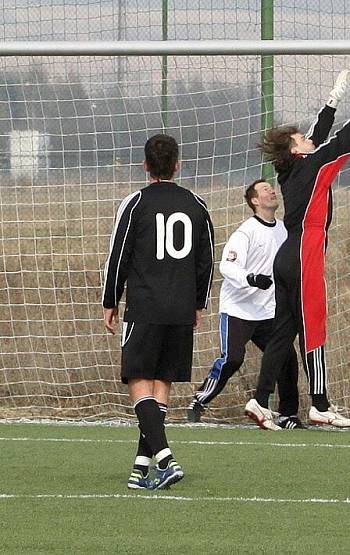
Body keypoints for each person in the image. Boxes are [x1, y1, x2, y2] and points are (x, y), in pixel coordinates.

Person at [247, 70, 350, 428]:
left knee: (284, 332)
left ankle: (258, 400)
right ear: (294, 150)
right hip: (305, 250)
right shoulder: (313, 165)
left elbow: (318, 135)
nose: (308, 138)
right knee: (313, 325)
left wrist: (333, 101)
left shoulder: (291, 170)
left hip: (288, 253)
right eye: (301, 138)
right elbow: (345, 141)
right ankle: (320, 405)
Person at [103, 134, 214, 489]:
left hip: (146, 306)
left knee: (139, 380)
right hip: (181, 308)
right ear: (178, 165)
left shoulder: (135, 204)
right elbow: (205, 262)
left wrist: (110, 301)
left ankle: (165, 459)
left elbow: (117, 255)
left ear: (145, 165)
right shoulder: (197, 204)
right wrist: (199, 303)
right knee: (161, 382)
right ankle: (140, 467)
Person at [186, 179, 303, 430]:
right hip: (238, 309)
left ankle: (288, 414)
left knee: (287, 357)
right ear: (254, 201)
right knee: (233, 359)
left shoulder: (284, 230)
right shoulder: (246, 231)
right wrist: (250, 279)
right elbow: (227, 266)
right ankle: (200, 400)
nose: (271, 191)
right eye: (264, 190)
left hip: (268, 311)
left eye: (272, 188)